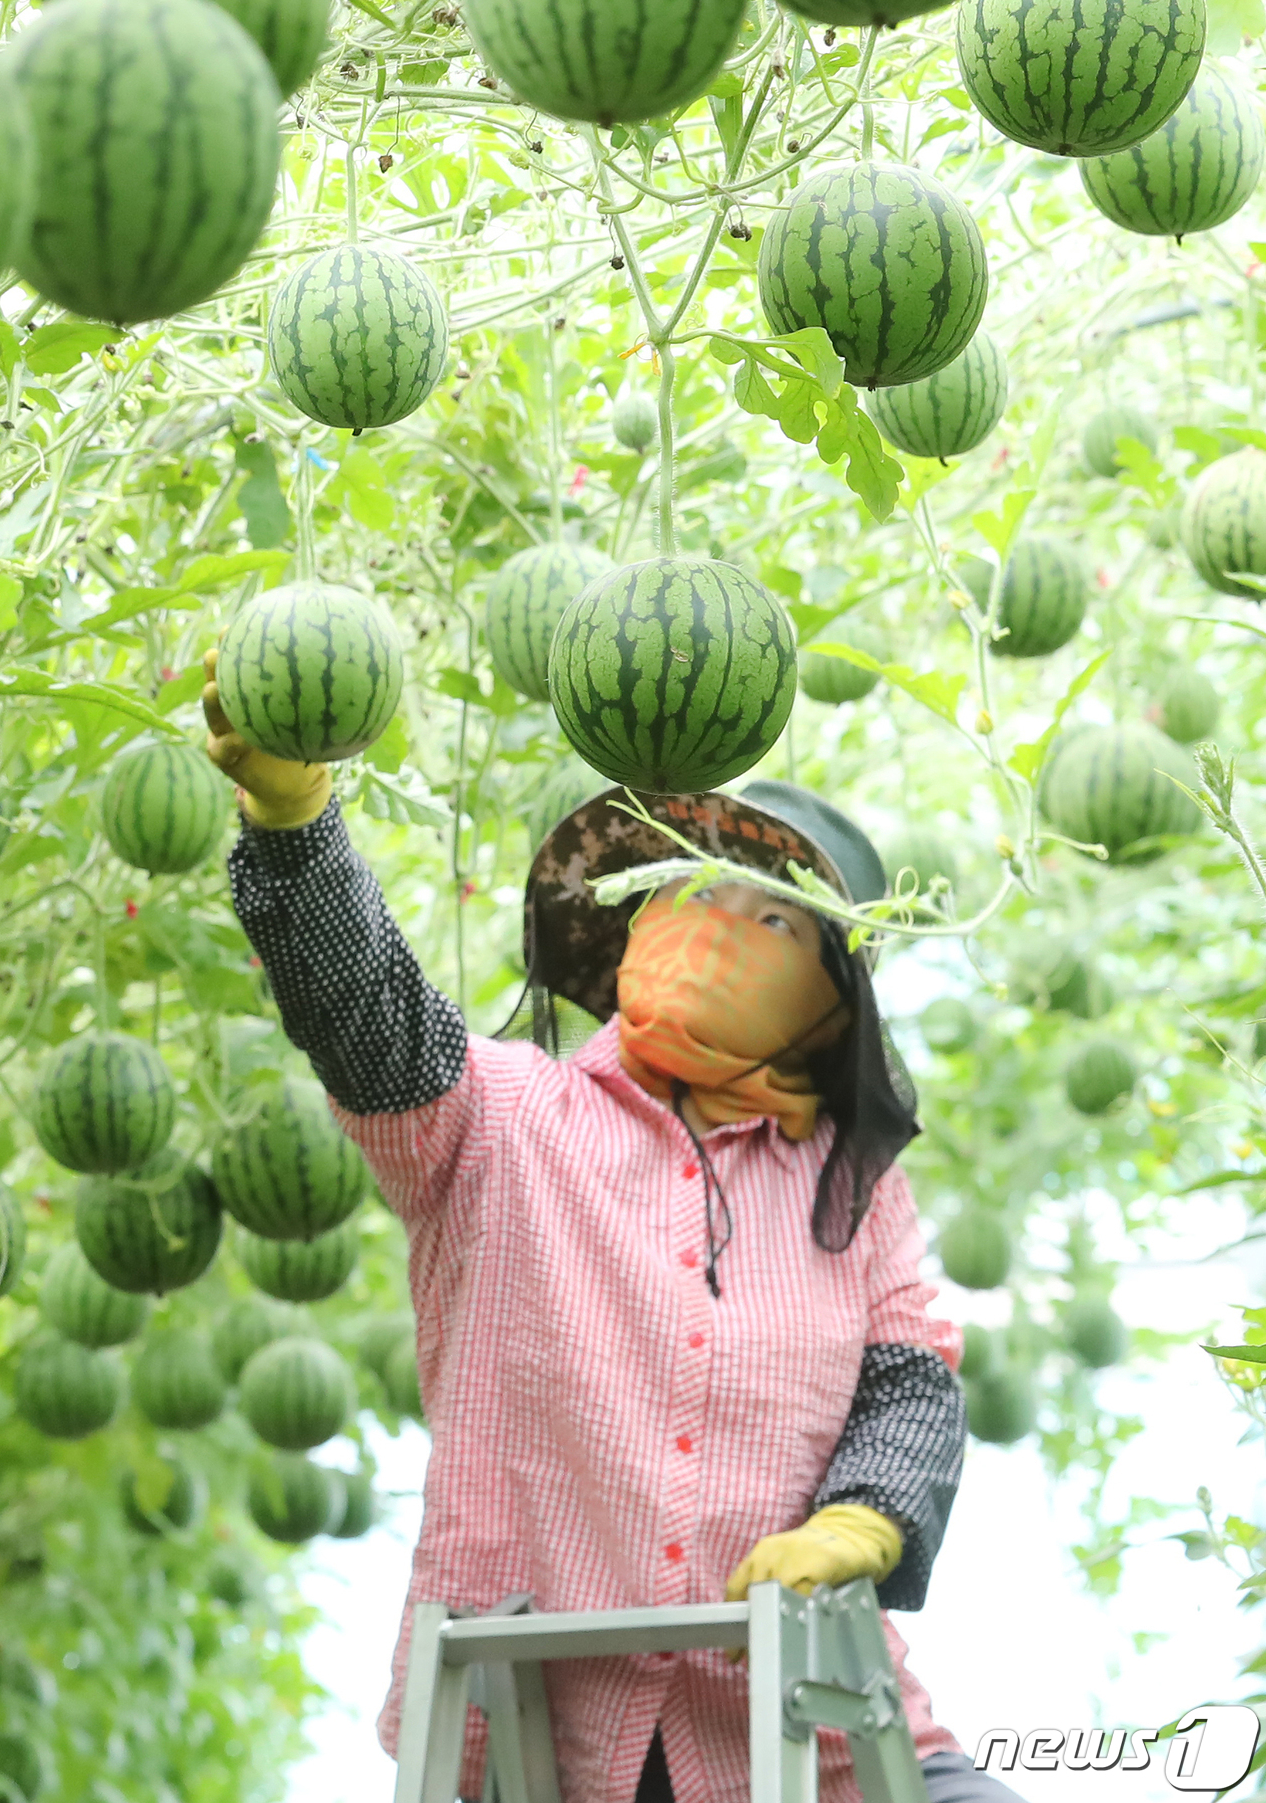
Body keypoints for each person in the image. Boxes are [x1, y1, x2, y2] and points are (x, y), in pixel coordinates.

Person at [203, 651, 1022, 1803]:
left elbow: (908, 1384)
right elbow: (367, 1014)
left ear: (830, 1004)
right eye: (696, 892)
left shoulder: (852, 1188)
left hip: (820, 1736)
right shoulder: (495, 1119)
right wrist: (297, 829)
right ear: (636, 920)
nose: (723, 927)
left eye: (773, 918)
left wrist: (860, 1520)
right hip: (538, 1739)